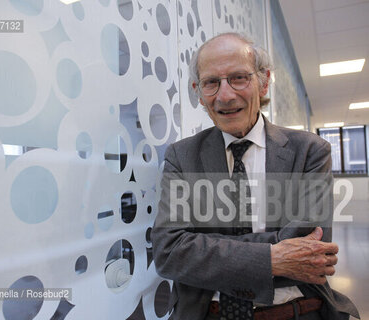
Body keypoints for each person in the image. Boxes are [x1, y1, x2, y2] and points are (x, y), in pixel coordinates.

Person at [151, 33, 359, 320]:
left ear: (263, 82)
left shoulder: (310, 151)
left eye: (238, 78)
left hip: (297, 312)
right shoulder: (183, 157)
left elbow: (312, 252)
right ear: (198, 92)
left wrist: (205, 249)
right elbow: (169, 251)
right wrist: (274, 258)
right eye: (211, 83)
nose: (225, 95)